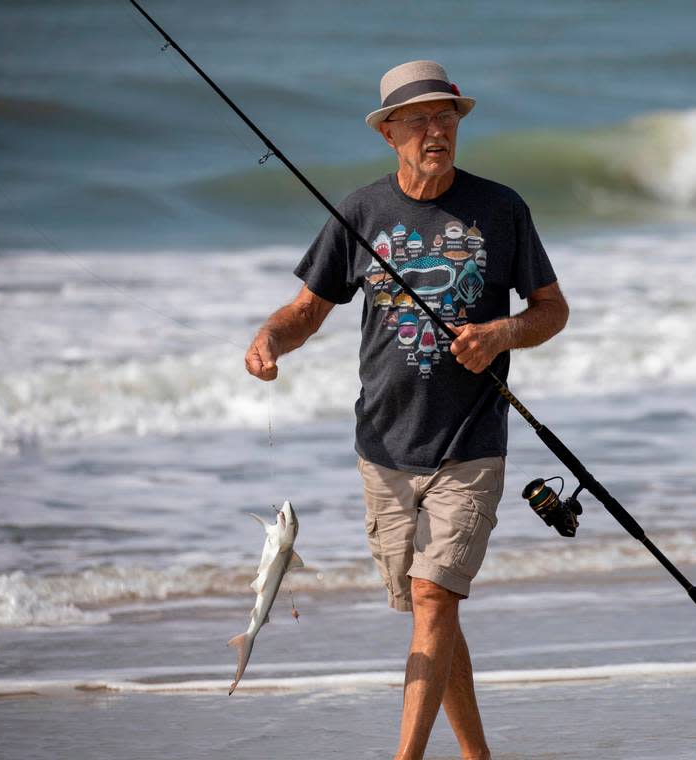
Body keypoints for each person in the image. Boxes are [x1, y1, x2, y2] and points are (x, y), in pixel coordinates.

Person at [244, 60, 568, 760]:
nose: (436, 130)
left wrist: (503, 332)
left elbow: (551, 311)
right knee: (428, 607)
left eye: (446, 117)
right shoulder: (360, 214)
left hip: (471, 439)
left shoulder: (501, 210)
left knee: (433, 600)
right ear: (389, 131)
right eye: (418, 119)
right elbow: (307, 311)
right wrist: (270, 340)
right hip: (384, 449)